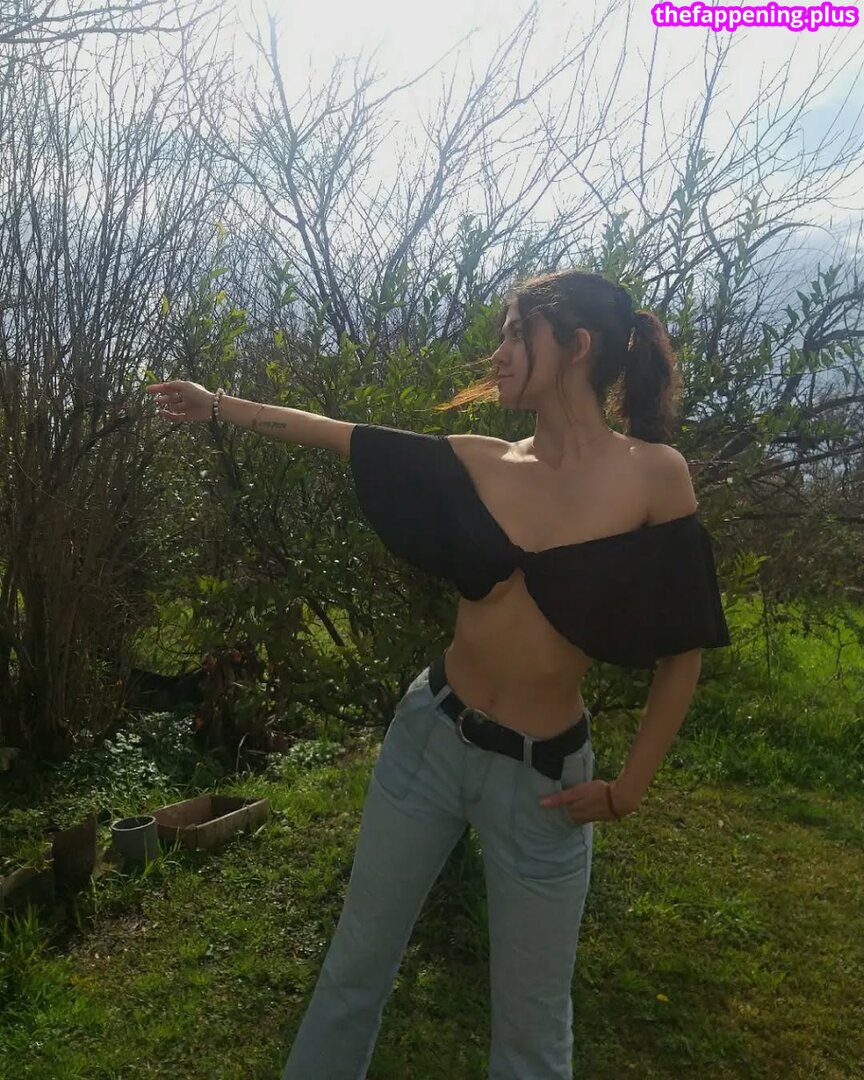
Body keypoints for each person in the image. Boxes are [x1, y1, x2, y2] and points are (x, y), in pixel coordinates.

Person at [146, 269, 731, 1079]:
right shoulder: (482, 462)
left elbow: (684, 651)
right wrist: (219, 405)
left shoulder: (655, 476)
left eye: (516, 333)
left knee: (533, 1032)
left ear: (576, 345)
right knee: (354, 968)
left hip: (544, 785)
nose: (498, 354)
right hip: (427, 741)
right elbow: (339, 434)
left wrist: (629, 789)